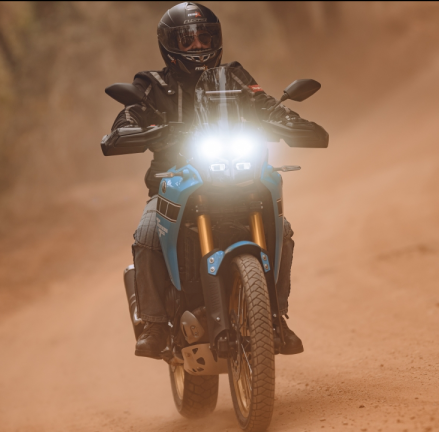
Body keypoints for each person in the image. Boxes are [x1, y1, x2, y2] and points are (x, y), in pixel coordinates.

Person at [109, 2, 313, 359]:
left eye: (204, 37)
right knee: (147, 232)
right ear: (169, 46)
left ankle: (275, 317)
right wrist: (128, 129)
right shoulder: (152, 84)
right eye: (187, 40)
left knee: (282, 228)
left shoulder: (233, 76)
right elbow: (130, 114)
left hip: (239, 176)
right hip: (176, 183)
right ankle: (155, 325)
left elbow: (264, 104)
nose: (198, 46)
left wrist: (290, 120)